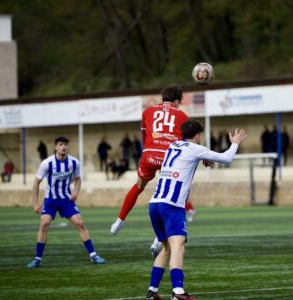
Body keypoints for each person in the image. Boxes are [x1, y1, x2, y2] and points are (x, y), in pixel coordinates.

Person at [145, 120, 247, 300]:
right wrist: (235, 143)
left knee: (167, 248)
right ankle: (178, 292)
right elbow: (226, 158)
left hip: (154, 203)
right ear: (197, 135)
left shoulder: (173, 145)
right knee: (178, 246)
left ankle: (153, 290)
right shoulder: (195, 148)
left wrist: (203, 158)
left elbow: (184, 160)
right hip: (172, 205)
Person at [110, 84, 190, 236]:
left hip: (149, 155)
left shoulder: (147, 112)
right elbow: (187, 144)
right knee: (178, 192)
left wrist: (147, 153)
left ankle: (119, 221)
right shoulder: (183, 116)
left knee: (139, 185)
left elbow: (144, 137)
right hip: (170, 158)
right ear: (177, 100)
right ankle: (161, 238)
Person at [27, 136, 105, 268]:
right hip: (51, 199)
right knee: (44, 224)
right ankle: (37, 259)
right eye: (61, 144)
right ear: (56, 147)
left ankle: (93, 255)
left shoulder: (74, 163)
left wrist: (76, 192)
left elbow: (78, 179)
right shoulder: (47, 163)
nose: (64, 147)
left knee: (79, 223)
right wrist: (35, 203)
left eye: (66, 145)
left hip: (66, 199)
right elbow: (36, 183)